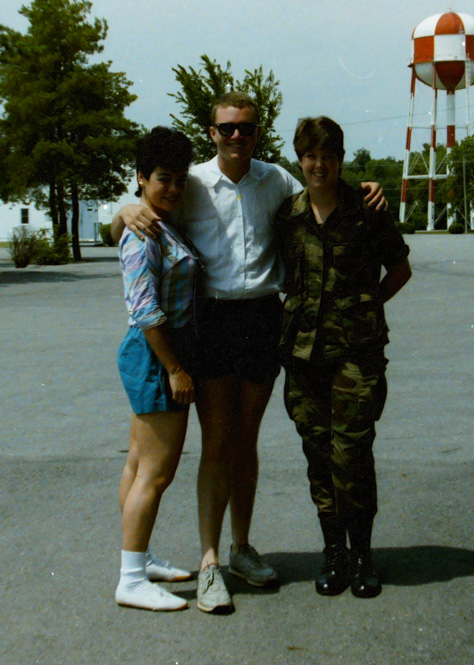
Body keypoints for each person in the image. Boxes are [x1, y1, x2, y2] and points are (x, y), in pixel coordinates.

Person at [111, 92, 386, 613]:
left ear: (259, 132)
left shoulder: (277, 180)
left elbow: (326, 188)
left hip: (263, 320)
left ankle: (241, 548)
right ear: (212, 131)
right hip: (211, 322)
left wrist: (371, 190)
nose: (237, 136)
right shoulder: (189, 184)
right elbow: (136, 213)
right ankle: (211, 560)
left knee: (247, 442)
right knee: (217, 443)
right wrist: (123, 212)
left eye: (247, 128)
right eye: (226, 128)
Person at [276, 117, 412, 599]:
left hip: (356, 356)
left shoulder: (367, 208)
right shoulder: (288, 215)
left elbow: (400, 268)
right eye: (310, 156)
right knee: (318, 457)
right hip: (303, 357)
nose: (319, 164)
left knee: (352, 456)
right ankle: (333, 553)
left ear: (341, 158)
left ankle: (363, 555)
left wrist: (367, 304)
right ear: (300, 160)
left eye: (328, 155)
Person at [114, 127, 200, 611]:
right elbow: (144, 309)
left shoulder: (161, 223)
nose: (172, 188)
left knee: (137, 462)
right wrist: (175, 369)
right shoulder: (142, 231)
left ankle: (138, 560)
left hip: (160, 349)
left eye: (180, 179)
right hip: (157, 352)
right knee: (157, 470)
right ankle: (130, 579)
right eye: (162, 178)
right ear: (142, 179)